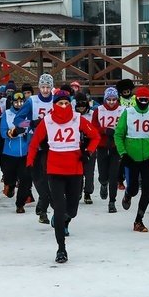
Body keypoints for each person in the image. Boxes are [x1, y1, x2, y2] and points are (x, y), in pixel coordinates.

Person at [27, 89, 100, 263]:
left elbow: (95, 136)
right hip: (55, 170)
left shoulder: (77, 118)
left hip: (75, 169)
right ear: (54, 105)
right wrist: (30, 162)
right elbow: (34, 142)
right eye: (60, 103)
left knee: (72, 210)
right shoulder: (47, 121)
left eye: (67, 103)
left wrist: (88, 152)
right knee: (59, 209)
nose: (64, 106)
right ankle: (61, 248)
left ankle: (66, 219)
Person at [115, 86, 149, 232]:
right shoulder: (128, 113)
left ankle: (138, 220)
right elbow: (118, 134)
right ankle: (128, 194)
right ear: (136, 99)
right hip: (131, 158)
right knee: (133, 188)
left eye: (146, 100)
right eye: (141, 100)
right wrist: (123, 153)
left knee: (146, 190)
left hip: (147, 158)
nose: (143, 102)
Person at [14, 73, 54, 224]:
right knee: (38, 176)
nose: (45, 90)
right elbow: (17, 121)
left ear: (51, 87)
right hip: (35, 143)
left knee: (50, 176)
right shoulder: (32, 101)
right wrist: (31, 123)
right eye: (42, 87)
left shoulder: (56, 100)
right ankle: (43, 205)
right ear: (39, 87)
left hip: (52, 143)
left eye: (48, 87)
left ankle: (43, 207)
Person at [0, 92, 34, 213]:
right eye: (16, 102)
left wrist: (26, 130)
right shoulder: (7, 114)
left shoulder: (28, 114)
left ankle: (20, 204)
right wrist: (12, 133)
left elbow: (32, 127)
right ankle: (10, 186)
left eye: (21, 102)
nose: (19, 104)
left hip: (25, 152)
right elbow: (2, 132)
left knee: (25, 178)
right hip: (10, 152)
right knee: (9, 177)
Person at [93, 86, 124, 212]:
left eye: (114, 99)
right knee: (103, 173)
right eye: (109, 100)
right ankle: (103, 183)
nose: (111, 102)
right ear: (105, 99)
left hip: (115, 146)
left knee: (114, 175)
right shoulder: (99, 110)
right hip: (102, 145)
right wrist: (104, 130)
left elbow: (125, 126)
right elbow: (93, 126)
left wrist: (117, 132)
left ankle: (112, 201)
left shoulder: (122, 110)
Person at [74, 93, 98, 204]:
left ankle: (88, 192)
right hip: (76, 146)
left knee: (89, 171)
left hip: (89, 144)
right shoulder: (73, 115)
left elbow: (96, 130)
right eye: (79, 106)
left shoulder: (92, 114)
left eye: (83, 106)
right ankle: (77, 191)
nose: (81, 108)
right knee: (77, 171)